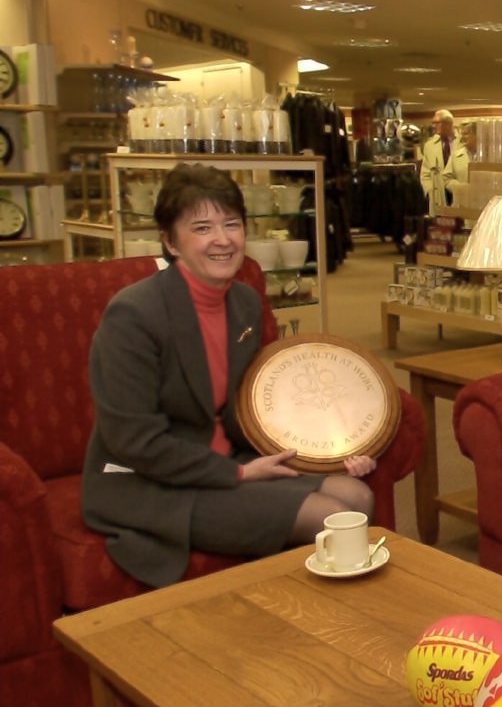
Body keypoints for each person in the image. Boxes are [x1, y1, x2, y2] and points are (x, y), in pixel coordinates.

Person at [82, 165, 376, 590]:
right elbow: (134, 441)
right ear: (170, 241)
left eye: (231, 224)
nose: (222, 239)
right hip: (150, 481)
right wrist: (238, 475)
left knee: (356, 496)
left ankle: (311, 616)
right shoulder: (133, 314)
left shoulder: (243, 302)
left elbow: (260, 404)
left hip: (229, 459)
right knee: (324, 517)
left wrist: (337, 446)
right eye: (202, 227)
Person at [420, 109, 469, 213]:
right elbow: (425, 173)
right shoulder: (429, 146)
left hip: (458, 191)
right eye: (433, 123)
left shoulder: (463, 142)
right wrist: (430, 191)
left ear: (448, 124)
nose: (434, 126)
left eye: (437, 123)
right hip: (439, 194)